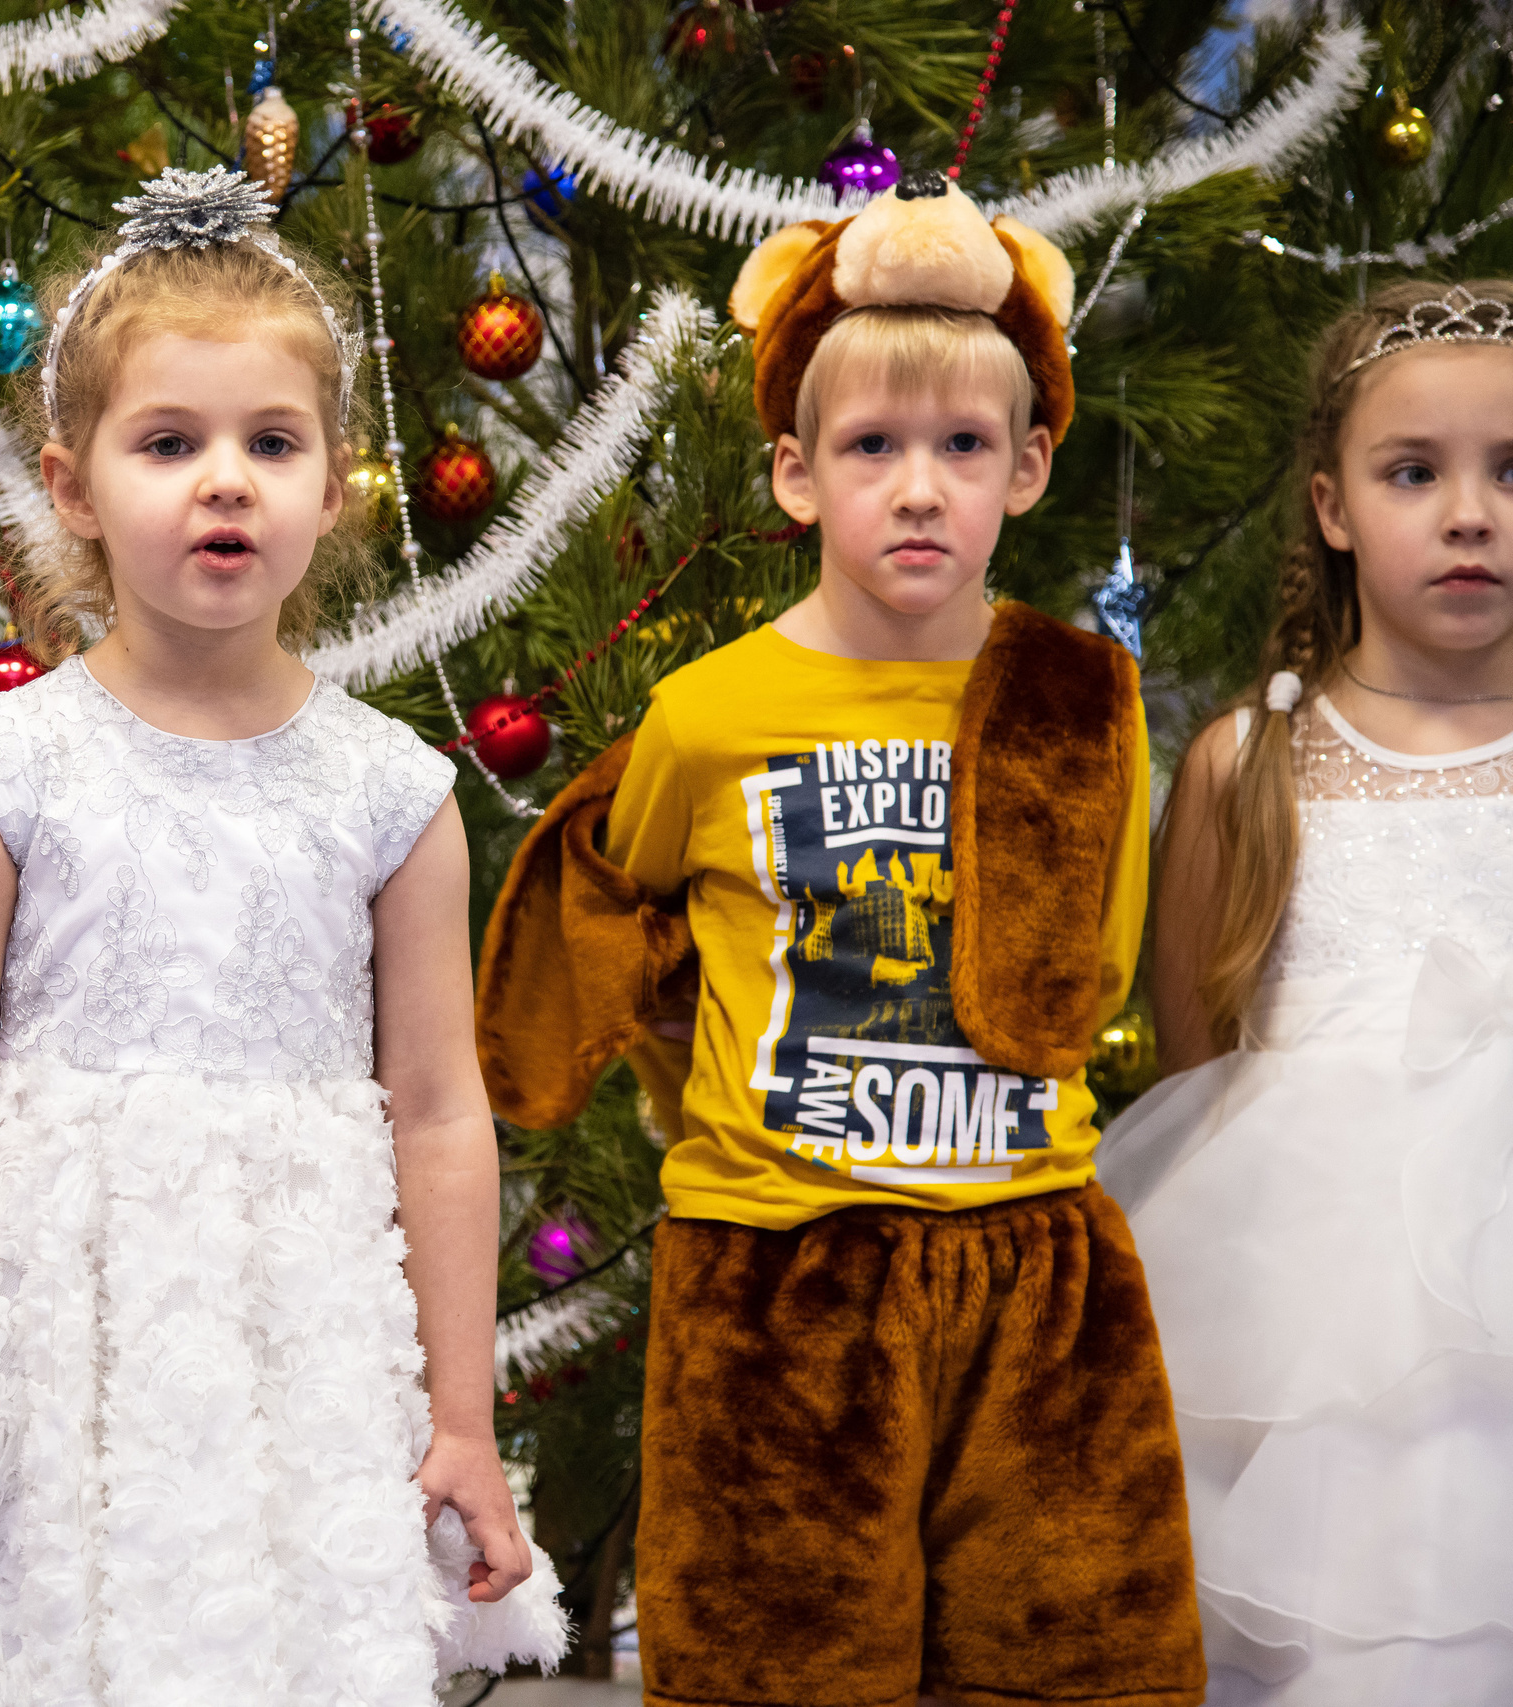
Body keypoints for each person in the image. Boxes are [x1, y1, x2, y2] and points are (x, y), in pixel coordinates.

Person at [0, 167, 569, 1704]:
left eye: (272, 443)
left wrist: (462, 1421)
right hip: (58, 1353)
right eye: (169, 443)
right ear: (71, 486)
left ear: (335, 487)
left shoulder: (394, 796)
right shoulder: (4, 773)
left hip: (297, 1360)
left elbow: (439, 1112)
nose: (226, 482)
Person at [476, 172, 1203, 1707]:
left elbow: (1101, 965)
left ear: (1030, 465)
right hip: (778, 1276)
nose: (920, 488)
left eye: (964, 447)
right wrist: (683, 1083)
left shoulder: (1086, 705)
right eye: (874, 447)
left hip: (1032, 1261)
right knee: (776, 1666)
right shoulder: (710, 717)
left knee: (1077, 1661)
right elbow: (625, 916)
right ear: (799, 476)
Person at [1097, 278, 1513, 1705]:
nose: (1471, 514)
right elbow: (1195, 1066)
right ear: (1332, 507)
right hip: (1304, 1349)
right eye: (1415, 473)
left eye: (1511, 471)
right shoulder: (1252, 765)